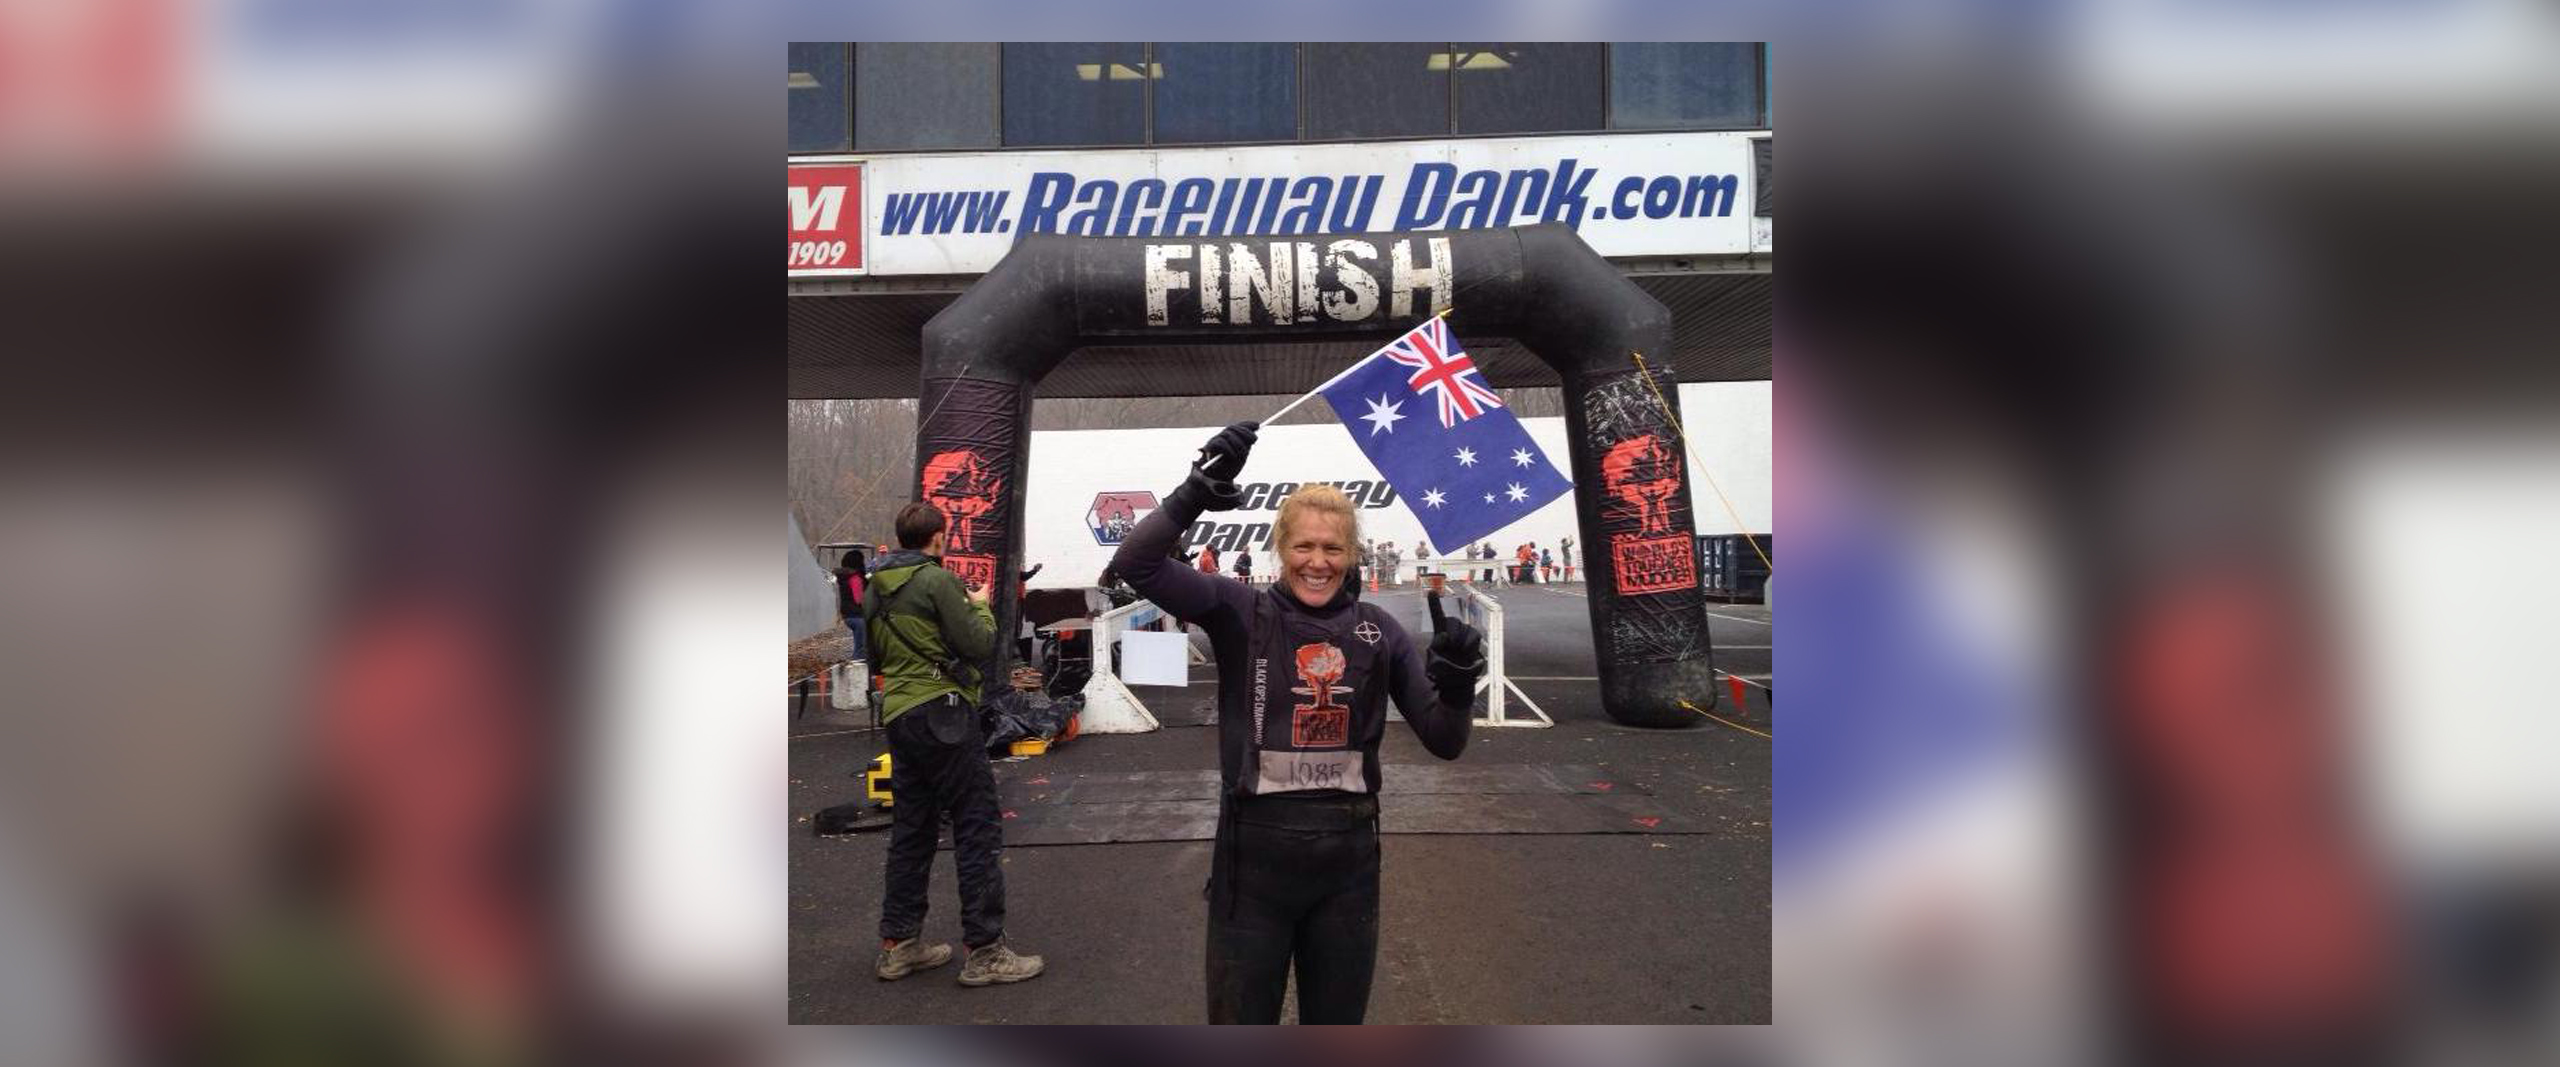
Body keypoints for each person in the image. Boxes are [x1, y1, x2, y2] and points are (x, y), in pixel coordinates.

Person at [1111, 421, 1485, 1025]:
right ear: (1281, 550)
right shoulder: (1241, 610)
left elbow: (1445, 740)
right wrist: (1194, 492)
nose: (1318, 562)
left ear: (1352, 554)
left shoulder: (1379, 631)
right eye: (1304, 547)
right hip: (1251, 867)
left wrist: (1460, 683)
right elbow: (1136, 562)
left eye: (1333, 549)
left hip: (1348, 871)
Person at [866, 502, 1045, 987]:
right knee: (976, 823)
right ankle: (985, 950)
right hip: (943, 712)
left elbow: (875, 654)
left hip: (899, 713)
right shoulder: (938, 580)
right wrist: (980, 605)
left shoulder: (876, 585)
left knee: (912, 828)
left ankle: (899, 945)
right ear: (939, 538)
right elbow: (979, 645)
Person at [834, 549, 868, 662]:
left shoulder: (844, 576)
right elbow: (859, 599)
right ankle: (857, 667)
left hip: (848, 616)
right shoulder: (855, 577)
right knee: (861, 650)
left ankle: (855, 662)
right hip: (858, 617)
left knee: (858, 646)